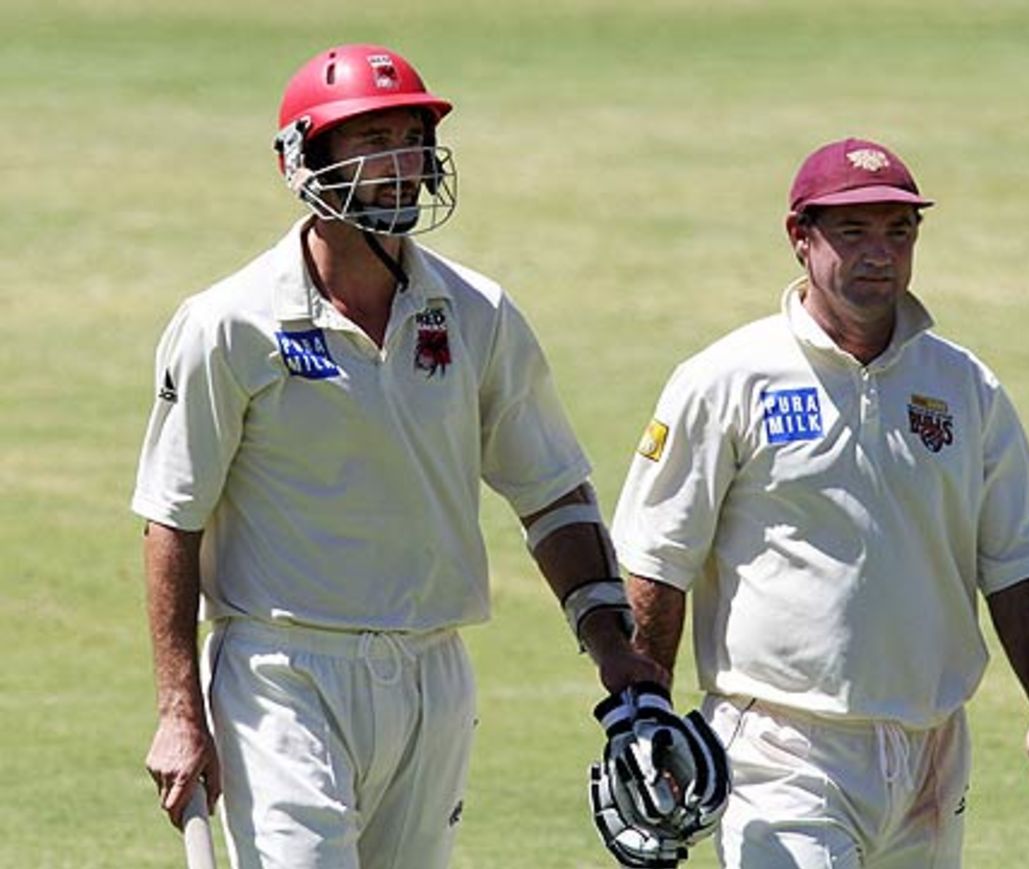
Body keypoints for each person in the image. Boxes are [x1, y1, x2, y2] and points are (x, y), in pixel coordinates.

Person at [133, 43, 664, 869]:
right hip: (283, 674)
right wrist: (178, 707)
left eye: (410, 138)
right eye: (369, 141)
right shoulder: (228, 323)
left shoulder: (478, 311)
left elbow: (552, 491)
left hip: (432, 671)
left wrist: (613, 644)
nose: (400, 163)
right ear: (303, 157)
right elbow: (173, 514)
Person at [610, 137, 1029, 868]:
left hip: (931, 749)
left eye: (899, 231)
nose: (880, 254)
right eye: (853, 230)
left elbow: (1016, 561)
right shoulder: (727, 378)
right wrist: (647, 716)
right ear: (799, 237)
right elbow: (658, 560)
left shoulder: (964, 386)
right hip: (780, 748)